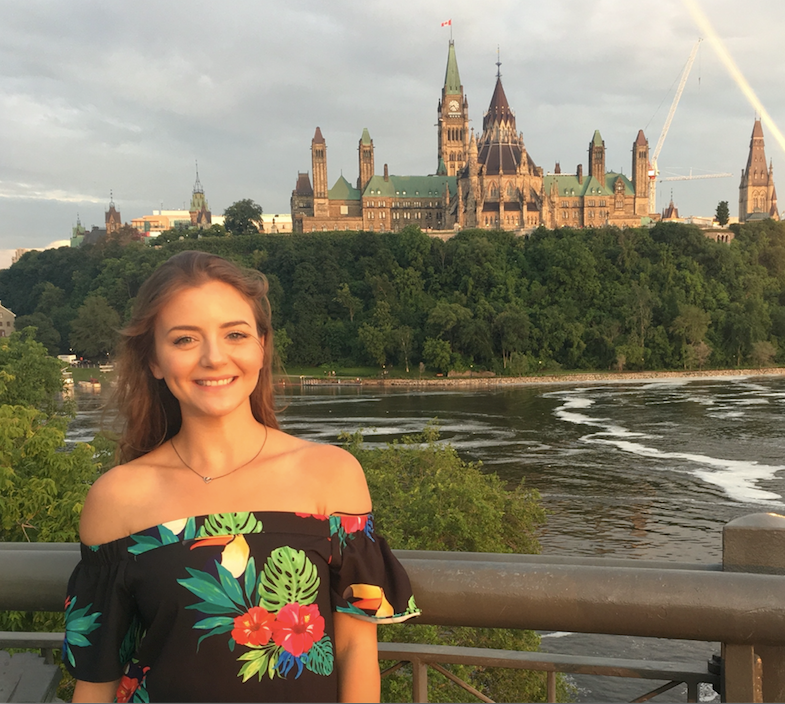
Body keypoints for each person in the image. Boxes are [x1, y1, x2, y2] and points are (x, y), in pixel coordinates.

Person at [63, 251, 419, 703]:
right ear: (153, 360)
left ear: (261, 347)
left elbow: (355, 651)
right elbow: (96, 681)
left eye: (235, 334)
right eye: (185, 339)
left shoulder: (332, 476)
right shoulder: (117, 498)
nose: (214, 358)